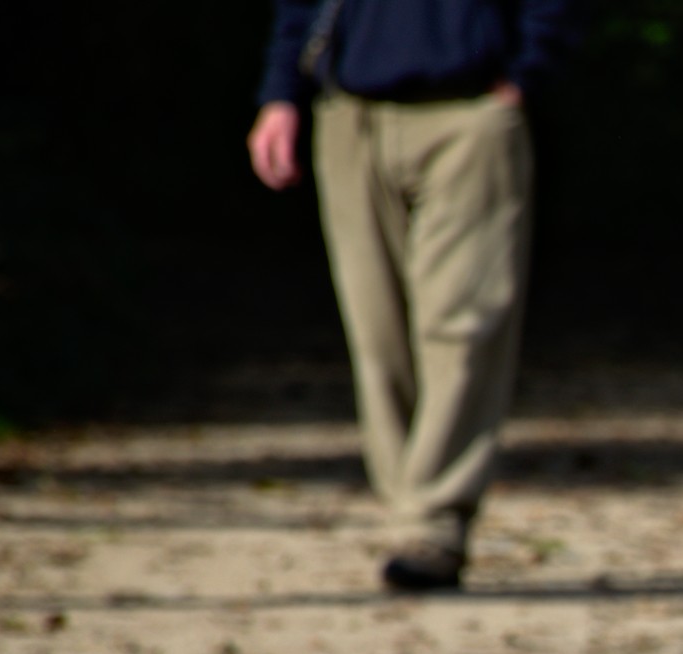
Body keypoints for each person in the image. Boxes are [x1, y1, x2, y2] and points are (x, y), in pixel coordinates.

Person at [248, 0, 579, 591]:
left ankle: (433, 522)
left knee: (463, 326)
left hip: (471, 110)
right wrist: (280, 93)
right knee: (377, 331)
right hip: (350, 113)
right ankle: (408, 504)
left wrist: (528, 72)